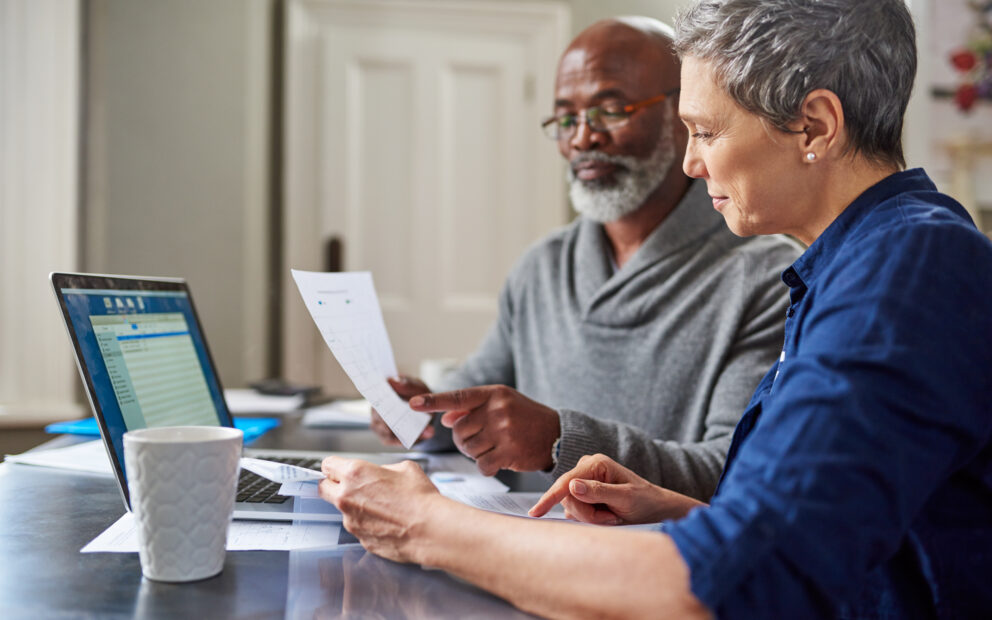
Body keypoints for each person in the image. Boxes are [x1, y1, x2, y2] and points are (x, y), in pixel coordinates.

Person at [317, 0, 992, 616]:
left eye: (703, 131)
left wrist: (426, 526)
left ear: (814, 126)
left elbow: (735, 579)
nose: (692, 163)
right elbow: (824, 525)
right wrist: (674, 506)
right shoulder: (851, 264)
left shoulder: (904, 272)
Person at [371, 17, 801, 501]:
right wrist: (423, 411)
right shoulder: (542, 267)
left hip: (648, 565)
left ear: (684, 116)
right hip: (517, 546)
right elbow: (475, 404)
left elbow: (733, 467)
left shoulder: (768, 278)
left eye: (610, 110)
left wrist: (560, 441)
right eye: (566, 118)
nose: (581, 139)